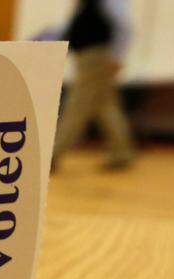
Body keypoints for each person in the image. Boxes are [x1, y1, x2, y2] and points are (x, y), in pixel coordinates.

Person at [45, 0, 136, 170]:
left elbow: (123, 24)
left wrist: (118, 55)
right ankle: (122, 152)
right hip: (91, 55)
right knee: (105, 106)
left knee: (77, 105)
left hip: (96, 56)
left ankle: (53, 155)